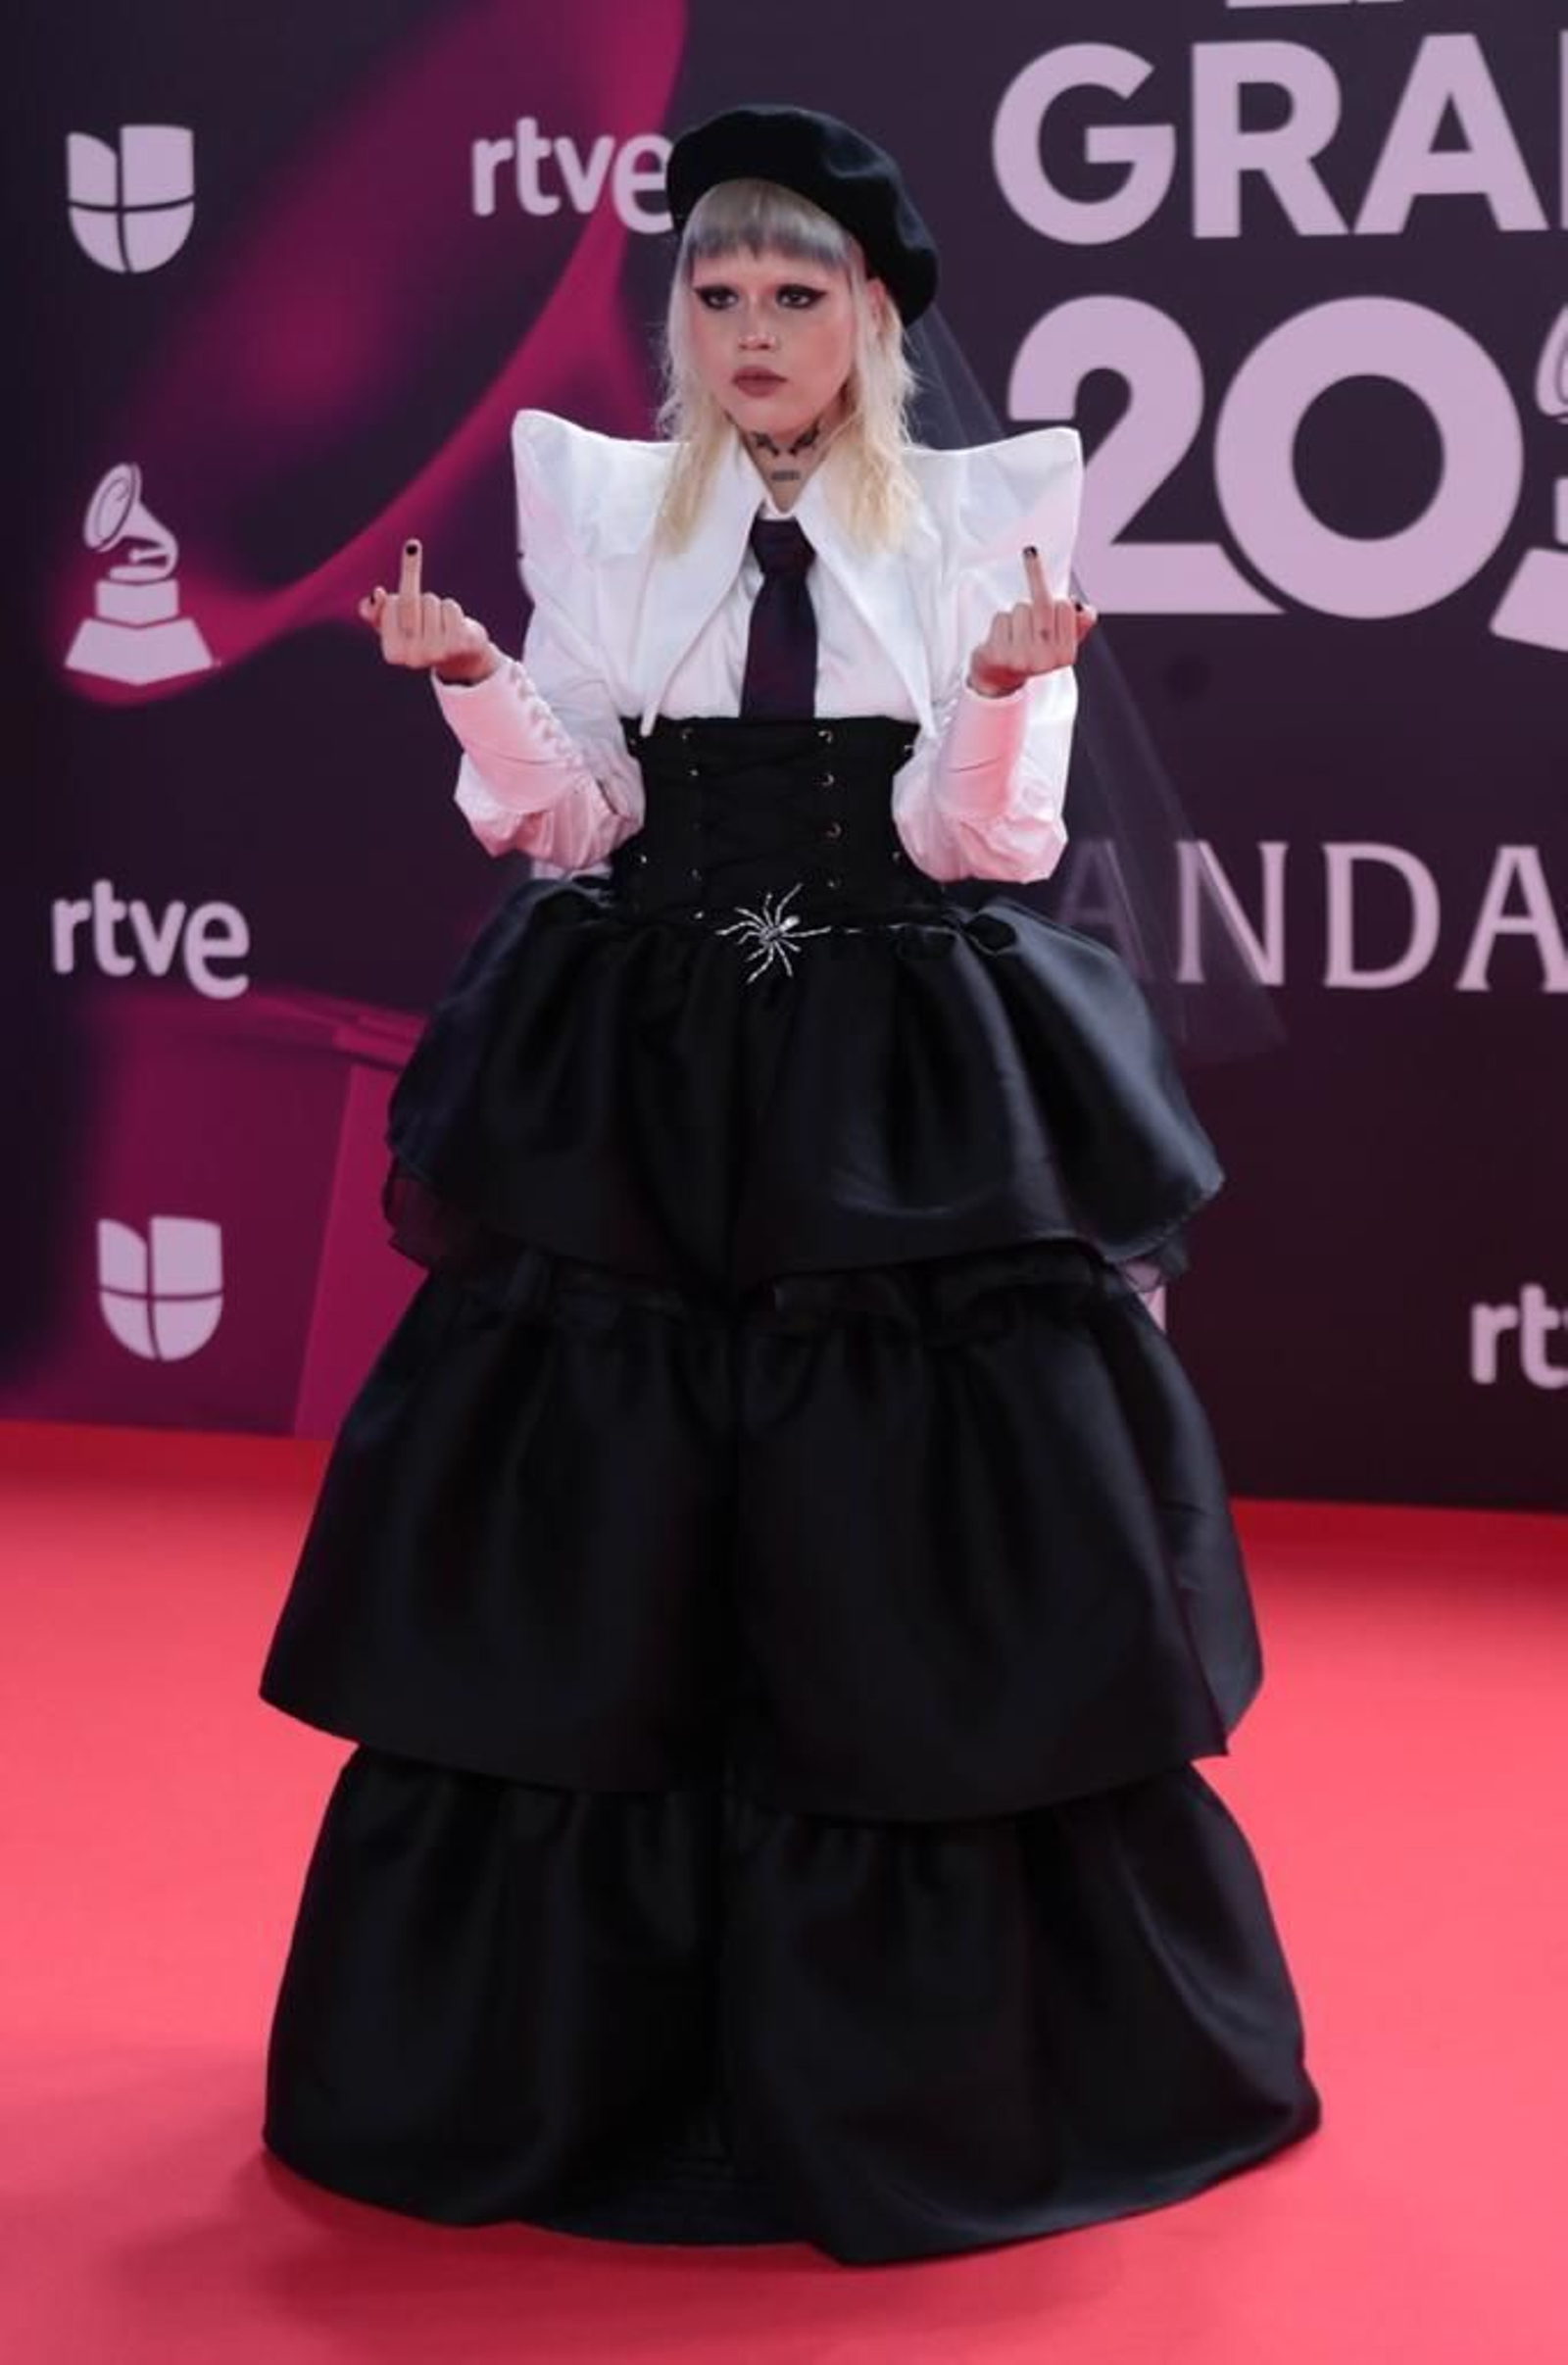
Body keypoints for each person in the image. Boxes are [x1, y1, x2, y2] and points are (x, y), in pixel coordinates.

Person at [258, 103, 1322, 2267]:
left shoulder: (968, 514)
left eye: (794, 293)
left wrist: (1015, 706)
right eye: (717, 293)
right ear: (680, 316)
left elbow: (978, 848)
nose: (751, 329)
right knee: (600, 1551)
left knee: (906, 1545)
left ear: (873, 316)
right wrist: (470, 685)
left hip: (888, 1084)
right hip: (638, 1071)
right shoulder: (596, 508)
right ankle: (586, 2045)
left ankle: (941, 2050)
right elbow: (567, 822)